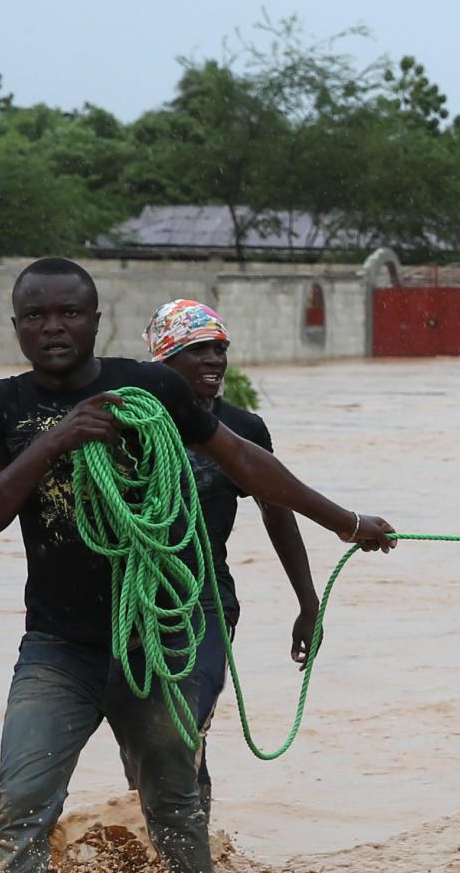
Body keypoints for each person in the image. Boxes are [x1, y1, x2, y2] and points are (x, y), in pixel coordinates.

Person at [0, 259, 394, 873]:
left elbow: (248, 463)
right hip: (57, 647)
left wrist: (345, 523)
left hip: (164, 635)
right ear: (17, 326)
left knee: (175, 805)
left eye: (69, 313)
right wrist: (54, 442)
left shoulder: (151, 388)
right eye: (37, 316)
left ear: (97, 321)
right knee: (21, 806)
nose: (53, 327)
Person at [117, 299, 320, 826]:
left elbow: (279, 514)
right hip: (130, 604)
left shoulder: (244, 429)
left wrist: (307, 601)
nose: (214, 359)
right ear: (164, 364)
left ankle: (194, 861)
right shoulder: (126, 426)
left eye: (219, 348)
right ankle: (167, 848)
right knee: (144, 748)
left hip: (205, 602)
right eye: (197, 350)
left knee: (182, 725)